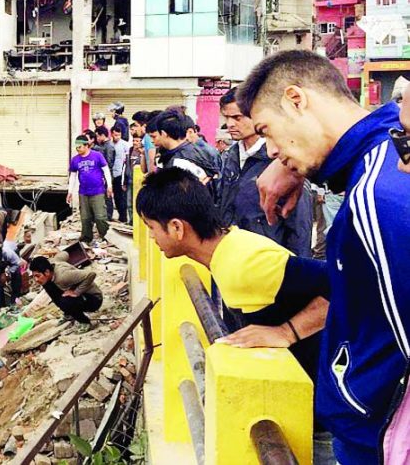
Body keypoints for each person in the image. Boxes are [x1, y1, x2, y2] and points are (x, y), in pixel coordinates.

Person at [235, 49, 410, 464]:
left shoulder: (376, 199)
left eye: (269, 131)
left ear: (297, 100)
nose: (272, 150)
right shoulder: (386, 154)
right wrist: (307, 169)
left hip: (379, 436)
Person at [135, 168, 328, 377]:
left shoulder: (246, 262)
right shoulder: (224, 252)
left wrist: (287, 332)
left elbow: (348, 283)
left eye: (151, 227)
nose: (152, 237)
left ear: (176, 228)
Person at [216, 87, 312, 257]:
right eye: (227, 118)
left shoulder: (282, 161)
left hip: (268, 261)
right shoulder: (228, 157)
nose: (230, 124)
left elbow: (299, 227)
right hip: (232, 257)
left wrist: (297, 275)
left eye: (237, 117)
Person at [29, 253, 103, 326]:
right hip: (80, 295)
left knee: (66, 301)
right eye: (34, 276)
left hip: (94, 299)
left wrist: (77, 292)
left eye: (38, 276)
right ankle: (69, 314)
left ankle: (85, 322)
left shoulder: (63, 276)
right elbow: (65, 253)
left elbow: (91, 274)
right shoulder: (53, 262)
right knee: (47, 285)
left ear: (47, 272)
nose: (36, 280)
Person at [149, 111, 220, 184]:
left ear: (164, 134)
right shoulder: (194, 150)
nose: (152, 140)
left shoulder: (178, 163)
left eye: (155, 136)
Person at [68, 136, 113, 243]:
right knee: (85, 217)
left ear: (86, 145)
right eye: (76, 147)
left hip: (98, 191)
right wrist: (70, 191)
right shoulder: (75, 160)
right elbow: (73, 176)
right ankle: (86, 237)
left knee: (100, 216)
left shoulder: (97, 156)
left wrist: (109, 186)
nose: (77, 149)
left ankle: (106, 236)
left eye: (79, 147)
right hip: (83, 192)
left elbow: (106, 170)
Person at [109, 126, 132, 224]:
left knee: (120, 197)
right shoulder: (109, 144)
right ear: (112, 134)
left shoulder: (125, 145)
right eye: (115, 135)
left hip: (120, 174)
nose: (117, 137)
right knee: (114, 196)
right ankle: (119, 215)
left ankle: (123, 217)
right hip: (111, 173)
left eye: (119, 135)